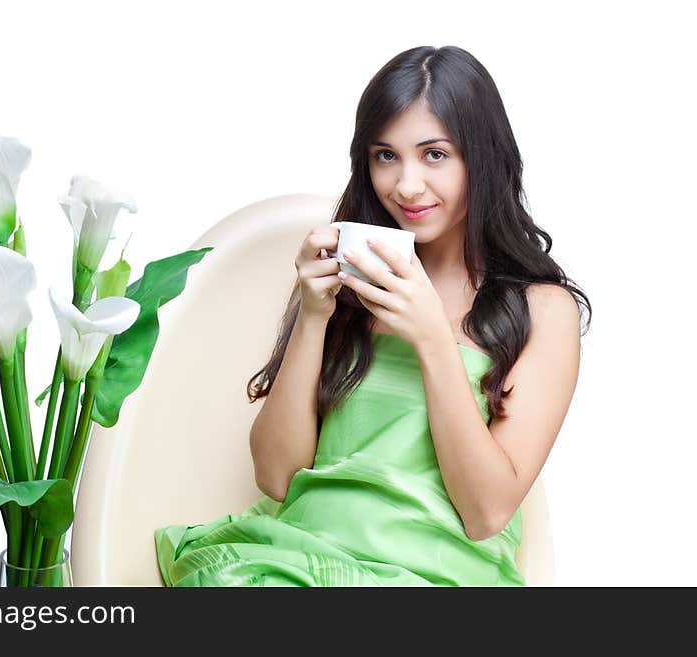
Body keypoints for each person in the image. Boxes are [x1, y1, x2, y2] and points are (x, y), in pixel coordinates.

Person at [154, 45, 592, 586]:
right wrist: (314, 316)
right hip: (299, 561)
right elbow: (275, 476)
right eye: (386, 156)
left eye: (434, 154)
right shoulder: (354, 281)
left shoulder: (543, 310)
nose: (406, 186)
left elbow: (486, 513)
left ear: (482, 156)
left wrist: (433, 338)